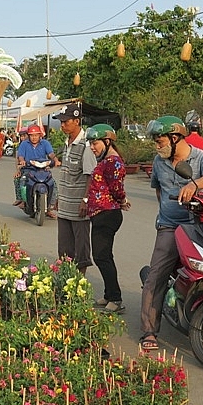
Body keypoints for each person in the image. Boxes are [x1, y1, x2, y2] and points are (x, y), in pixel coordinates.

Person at [140, 115, 203, 350]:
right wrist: (165, 215)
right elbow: (159, 191)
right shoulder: (158, 161)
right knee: (156, 275)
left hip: (200, 224)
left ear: (175, 138)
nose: (157, 145)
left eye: (159, 140)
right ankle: (149, 332)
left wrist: (193, 185)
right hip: (170, 226)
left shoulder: (202, 158)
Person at [85, 124, 131, 314]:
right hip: (100, 213)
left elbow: (116, 188)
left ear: (107, 141)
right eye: (90, 143)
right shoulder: (107, 161)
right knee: (103, 256)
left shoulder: (113, 161)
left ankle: (116, 298)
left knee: (102, 257)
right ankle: (109, 294)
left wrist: (122, 200)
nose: (92, 147)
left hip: (107, 214)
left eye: (94, 143)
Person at [53, 103, 97, 274]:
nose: (62, 125)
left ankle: (79, 282)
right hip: (64, 205)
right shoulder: (66, 143)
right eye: (61, 122)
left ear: (77, 121)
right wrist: (59, 197)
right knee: (64, 248)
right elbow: (65, 173)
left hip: (79, 208)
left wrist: (85, 200)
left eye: (66, 121)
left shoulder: (86, 145)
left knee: (81, 249)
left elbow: (90, 175)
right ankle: (65, 278)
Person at [15, 124, 59, 218]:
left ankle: (50, 207)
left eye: (36, 135)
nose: (34, 137)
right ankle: (22, 200)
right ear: (28, 136)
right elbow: (21, 156)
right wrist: (22, 161)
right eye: (31, 135)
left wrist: (56, 161)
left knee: (52, 183)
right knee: (21, 180)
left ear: (40, 135)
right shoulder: (24, 144)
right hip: (28, 169)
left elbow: (51, 154)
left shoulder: (45, 143)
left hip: (43, 169)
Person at [12, 128, 30, 206]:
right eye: (21, 136)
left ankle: (51, 206)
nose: (23, 138)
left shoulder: (39, 144)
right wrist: (18, 170)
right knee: (18, 180)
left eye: (24, 136)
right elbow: (17, 159)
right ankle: (21, 199)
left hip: (38, 168)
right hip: (25, 168)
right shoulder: (21, 146)